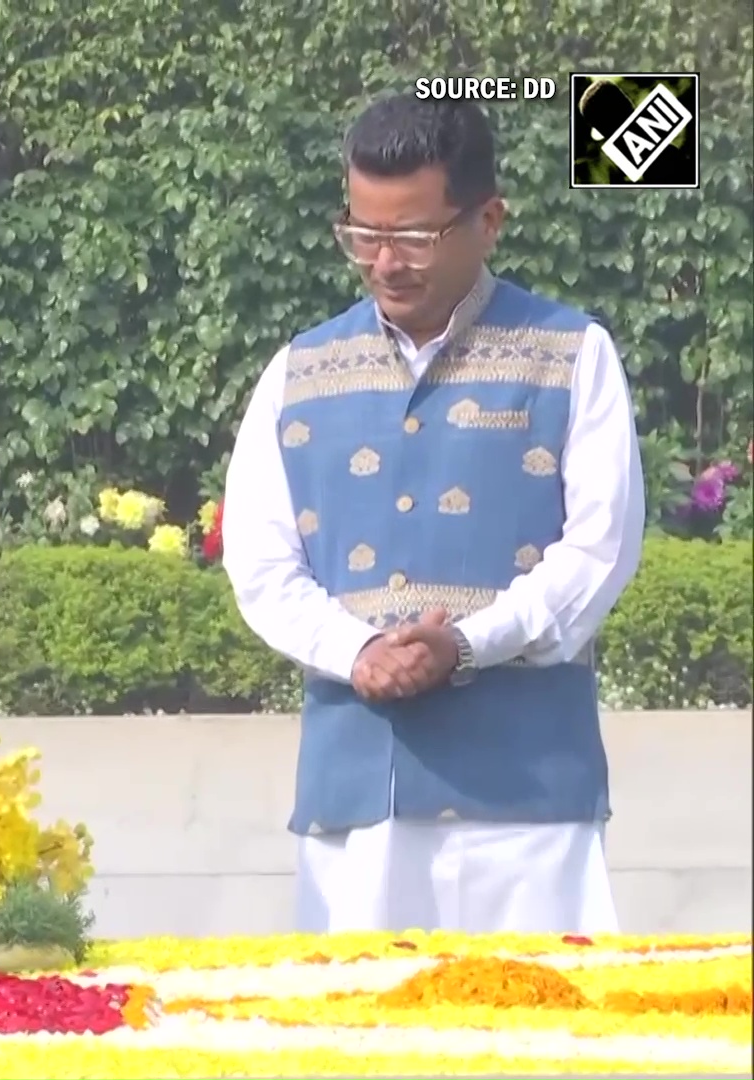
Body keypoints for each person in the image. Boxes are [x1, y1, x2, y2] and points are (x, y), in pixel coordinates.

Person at [220, 94, 645, 934]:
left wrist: (465, 643)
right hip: (356, 804)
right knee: (358, 1055)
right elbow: (261, 564)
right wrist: (359, 649)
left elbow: (596, 553)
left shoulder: (573, 356)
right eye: (363, 234)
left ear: (488, 219)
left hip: (528, 805)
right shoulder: (298, 371)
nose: (386, 262)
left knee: (540, 1050)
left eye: (414, 236)